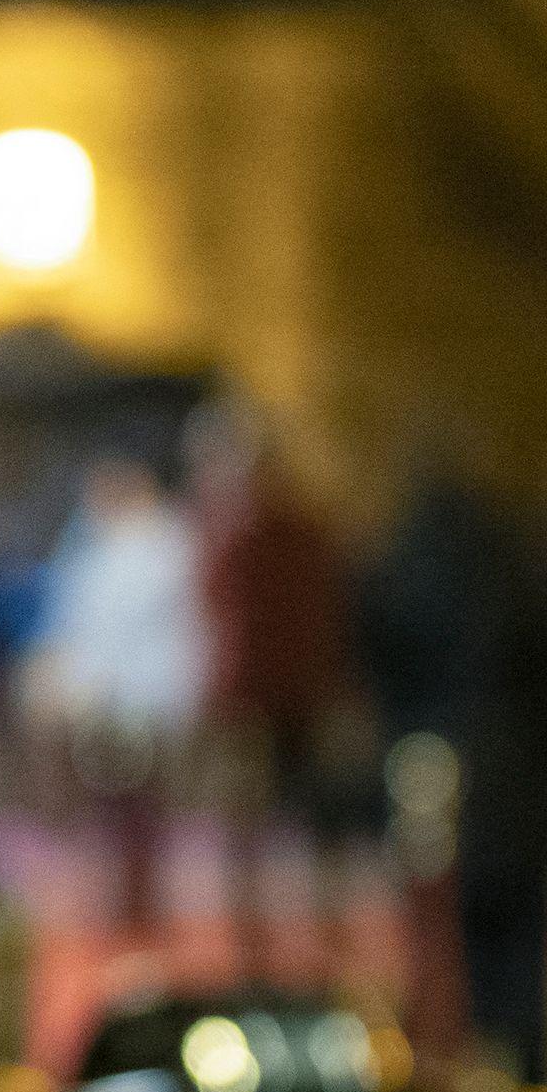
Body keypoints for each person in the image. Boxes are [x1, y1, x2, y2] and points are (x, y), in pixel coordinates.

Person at [363, 453, 547, 1085]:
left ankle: (447, 1058)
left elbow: (381, 659)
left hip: (438, 764)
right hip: (513, 772)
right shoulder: (518, 562)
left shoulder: (406, 560)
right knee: (515, 933)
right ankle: (522, 1062)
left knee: (440, 928)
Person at [187, 399, 357, 984]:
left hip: (254, 702)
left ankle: (261, 961)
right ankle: (314, 954)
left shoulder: (238, 534)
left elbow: (219, 616)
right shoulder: (309, 530)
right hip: (296, 697)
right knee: (302, 835)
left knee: (255, 837)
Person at [16, 454, 203, 939]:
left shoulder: (163, 549)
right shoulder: (98, 550)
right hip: (110, 703)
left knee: (137, 822)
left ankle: (139, 921)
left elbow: (135, 641)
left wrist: (80, 686)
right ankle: (114, 915)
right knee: (114, 823)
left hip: (142, 703)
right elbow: (73, 627)